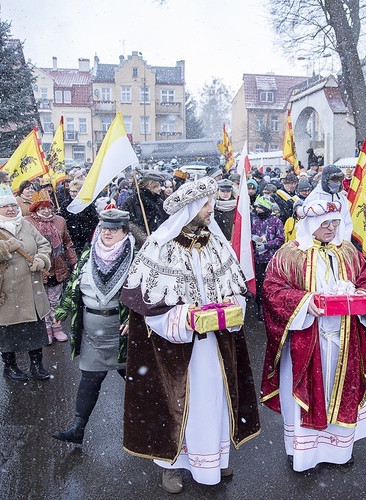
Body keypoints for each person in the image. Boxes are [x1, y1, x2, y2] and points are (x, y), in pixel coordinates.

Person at [120, 177, 261, 494]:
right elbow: (149, 305)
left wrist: (231, 310)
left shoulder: (216, 243)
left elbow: (234, 287)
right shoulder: (161, 248)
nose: (211, 209)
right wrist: (185, 318)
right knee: (178, 405)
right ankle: (172, 466)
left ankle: (214, 458)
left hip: (215, 344)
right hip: (178, 350)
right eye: (207, 205)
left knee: (214, 401)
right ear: (192, 208)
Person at [261, 198, 366, 472]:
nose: (331, 228)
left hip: (344, 336)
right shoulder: (288, 254)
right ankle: (303, 453)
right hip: (307, 339)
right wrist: (304, 303)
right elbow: (272, 292)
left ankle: (338, 451)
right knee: (306, 390)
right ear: (310, 224)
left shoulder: (349, 251)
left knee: (340, 389)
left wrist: (363, 294)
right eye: (325, 223)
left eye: (335, 222)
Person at [52, 208, 137, 445]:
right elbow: (74, 285)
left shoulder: (137, 256)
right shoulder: (89, 254)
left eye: (114, 229)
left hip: (121, 331)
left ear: (125, 231)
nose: (108, 233)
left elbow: (144, 293)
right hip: (92, 328)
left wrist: (133, 318)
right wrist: (62, 310)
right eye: (104, 228)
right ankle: (78, 428)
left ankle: (150, 426)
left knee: (135, 381)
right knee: (90, 378)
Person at [0, 194, 52, 381]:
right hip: (4, 290)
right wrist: (5, 248)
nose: (11, 209)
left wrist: (41, 260)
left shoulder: (25, 224)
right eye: (5, 206)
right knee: (7, 333)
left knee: (34, 330)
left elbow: (44, 245)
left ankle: (37, 365)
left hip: (31, 289)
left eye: (13, 205)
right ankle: (10, 367)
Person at [25, 189, 78, 344]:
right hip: (40, 268)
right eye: (42, 208)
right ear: (36, 210)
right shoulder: (28, 222)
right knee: (42, 301)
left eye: (48, 207)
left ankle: (57, 327)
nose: (46, 211)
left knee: (55, 300)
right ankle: (46, 329)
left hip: (58, 266)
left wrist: (74, 261)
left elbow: (67, 242)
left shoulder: (60, 220)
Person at [251, 195, 285, 321]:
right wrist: (253, 239)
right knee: (259, 285)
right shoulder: (253, 220)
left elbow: (280, 239)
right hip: (257, 259)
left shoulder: (276, 221)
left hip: (270, 260)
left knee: (270, 285)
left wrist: (266, 245)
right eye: (257, 207)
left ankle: (270, 308)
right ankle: (260, 308)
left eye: (260, 207)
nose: (258, 209)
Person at [304, 164, 353, 242]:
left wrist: (345, 242)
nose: (337, 183)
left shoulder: (342, 199)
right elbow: (307, 224)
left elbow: (347, 223)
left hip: (340, 244)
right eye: (334, 180)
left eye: (339, 181)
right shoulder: (313, 197)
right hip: (319, 244)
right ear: (325, 180)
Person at [121, 169, 169, 247]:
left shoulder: (160, 202)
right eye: (158, 185)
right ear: (150, 184)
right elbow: (125, 225)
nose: (160, 188)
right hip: (137, 247)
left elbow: (166, 223)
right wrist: (141, 238)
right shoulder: (131, 202)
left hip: (158, 247)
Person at [59, 179, 98, 254]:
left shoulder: (87, 204)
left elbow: (94, 220)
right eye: (71, 191)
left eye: (75, 191)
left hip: (85, 237)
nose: (72, 194)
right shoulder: (66, 204)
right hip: (71, 237)